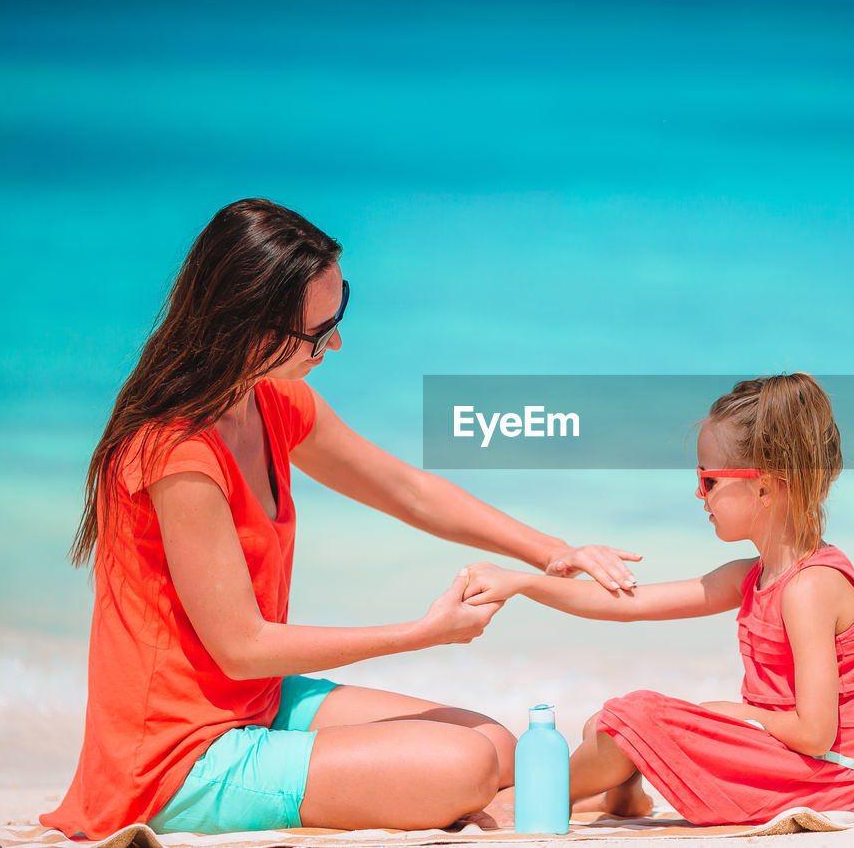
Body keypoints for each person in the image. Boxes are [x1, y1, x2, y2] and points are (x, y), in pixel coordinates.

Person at [41, 198, 641, 839]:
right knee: (463, 764)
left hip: (253, 706)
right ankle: (531, 799)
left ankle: (527, 798)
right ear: (251, 327)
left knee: (491, 741)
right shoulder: (178, 454)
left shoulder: (270, 401)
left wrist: (553, 552)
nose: (336, 341)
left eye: (340, 310)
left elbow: (406, 491)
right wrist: (424, 632)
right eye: (319, 330)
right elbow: (243, 649)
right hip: (175, 760)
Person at [463, 373, 854, 825]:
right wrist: (524, 583)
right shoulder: (752, 576)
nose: (699, 493)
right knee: (605, 725)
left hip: (821, 781)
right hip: (782, 761)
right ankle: (620, 796)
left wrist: (732, 714)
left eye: (709, 480)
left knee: (635, 718)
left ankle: (524, 800)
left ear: (763, 488)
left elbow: (816, 733)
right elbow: (632, 605)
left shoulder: (809, 588)